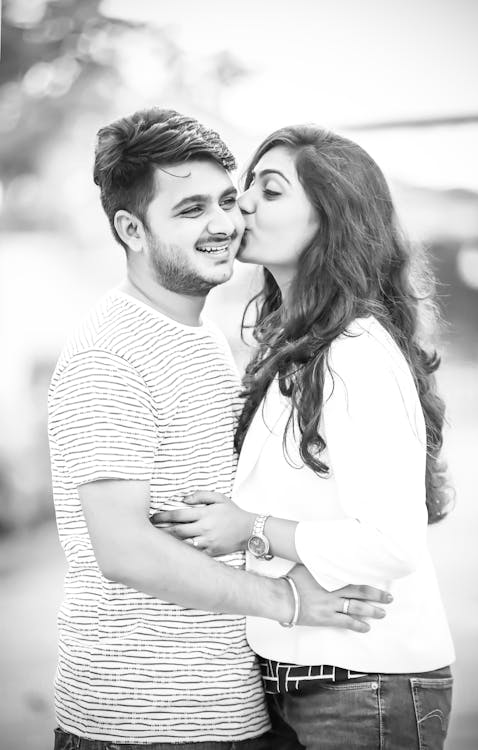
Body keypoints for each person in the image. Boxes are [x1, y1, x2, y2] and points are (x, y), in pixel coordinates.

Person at [47, 109, 390, 750]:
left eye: (229, 200)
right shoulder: (111, 353)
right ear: (131, 228)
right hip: (143, 721)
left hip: (227, 709)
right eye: (191, 209)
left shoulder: (200, 337)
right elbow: (122, 550)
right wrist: (286, 600)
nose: (224, 224)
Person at [152, 125, 455, 749]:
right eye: (246, 189)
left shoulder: (355, 351)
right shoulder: (295, 347)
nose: (244, 206)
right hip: (305, 677)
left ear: (330, 218)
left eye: (271, 190)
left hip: (364, 683)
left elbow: (392, 542)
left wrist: (251, 526)